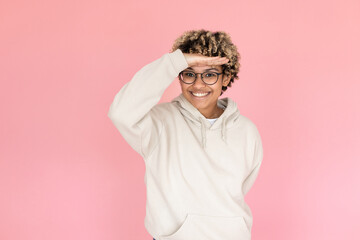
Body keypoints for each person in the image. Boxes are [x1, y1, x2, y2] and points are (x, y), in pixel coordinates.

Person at [107, 29, 263, 240]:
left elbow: (240, 188)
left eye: (210, 74)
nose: (198, 84)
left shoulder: (246, 131)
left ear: (225, 78)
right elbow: (121, 112)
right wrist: (174, 62)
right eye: (189, 73)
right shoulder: (159, 123)